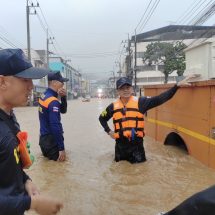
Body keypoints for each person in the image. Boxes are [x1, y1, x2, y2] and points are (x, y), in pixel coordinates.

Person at [0, 48, 63, 215]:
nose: (31, 86)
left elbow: (7, 169)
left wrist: (26, 181)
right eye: (25, 79)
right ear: (2, 82)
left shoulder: (9, 117)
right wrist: (31, 203)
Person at [99, 76, 195, 164]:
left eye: (127, 88)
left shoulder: (141, 102)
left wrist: (177, 86)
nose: (125, 90)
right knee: (120, 172)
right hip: (120, 147)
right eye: (122, 88)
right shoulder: (112, 107)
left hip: (137, 147)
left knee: (140, 172)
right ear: (118, 91)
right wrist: (109, 131)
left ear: (132, 89)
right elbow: (101, 118)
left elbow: (160, 99)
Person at [38, 71, 68, 162]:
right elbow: (55, 125)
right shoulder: (53, 101)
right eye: (61, 82)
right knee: (61, 171)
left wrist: (63, 97)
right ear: (54, 82)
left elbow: (63, 110)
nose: (63, 84)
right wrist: (61, 148)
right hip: (52, 141)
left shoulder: (44, 95)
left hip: (43, 140)